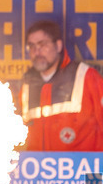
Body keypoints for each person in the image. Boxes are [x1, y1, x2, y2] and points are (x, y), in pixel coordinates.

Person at [19, 19, 103, 151]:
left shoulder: (87, 76)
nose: (37, 51)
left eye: (42, 45)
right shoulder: (27, 86)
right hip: (40, 170)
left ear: (58, 46)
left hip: (84, 169)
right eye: (32, 46)